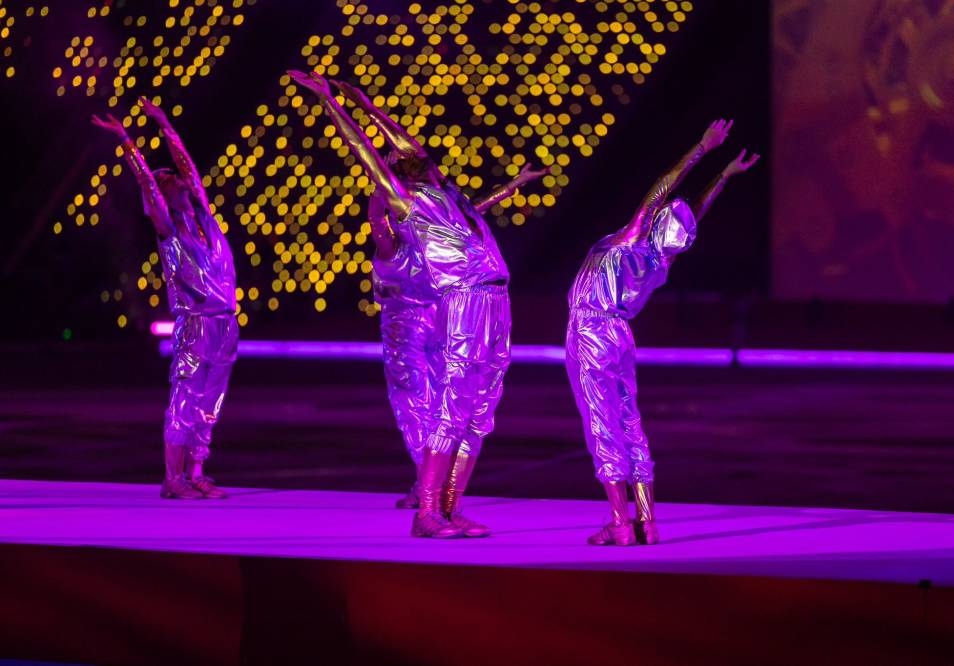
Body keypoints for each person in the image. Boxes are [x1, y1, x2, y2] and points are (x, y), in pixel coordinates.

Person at [290, 71, 543, 538]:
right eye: (406, 157)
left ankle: (449, 507)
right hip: (464, 299)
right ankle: (427, 512)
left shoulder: (450, 197)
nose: (413, 151)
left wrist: (368, 104)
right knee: (454, 403)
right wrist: (331, 104)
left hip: (496, 299)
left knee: (481, 412)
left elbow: (405, 143)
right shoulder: (407, 204)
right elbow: (365, 152)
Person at [566, 119, 759, 545]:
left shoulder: (631, 239)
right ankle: (647, 522)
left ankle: (620, 523)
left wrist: (702, 148)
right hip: (620, 335)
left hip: (591, 330)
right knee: (630, 422)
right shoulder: (662, 261)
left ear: (655, 223)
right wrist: (724, 177)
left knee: (603, 424)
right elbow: (694, 216)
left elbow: (660, 188)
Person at [93, 98, 238, 500]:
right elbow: (148, 186)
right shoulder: (170, 232)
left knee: (210, 401)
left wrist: (164, 123)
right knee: (186, 397)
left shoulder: (204, 218)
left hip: (226, 323)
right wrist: (126, 141)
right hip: (196, 324)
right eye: (168, 180)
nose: (178, 179)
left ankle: (196, 472)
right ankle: (172, 478)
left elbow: (189, 168)